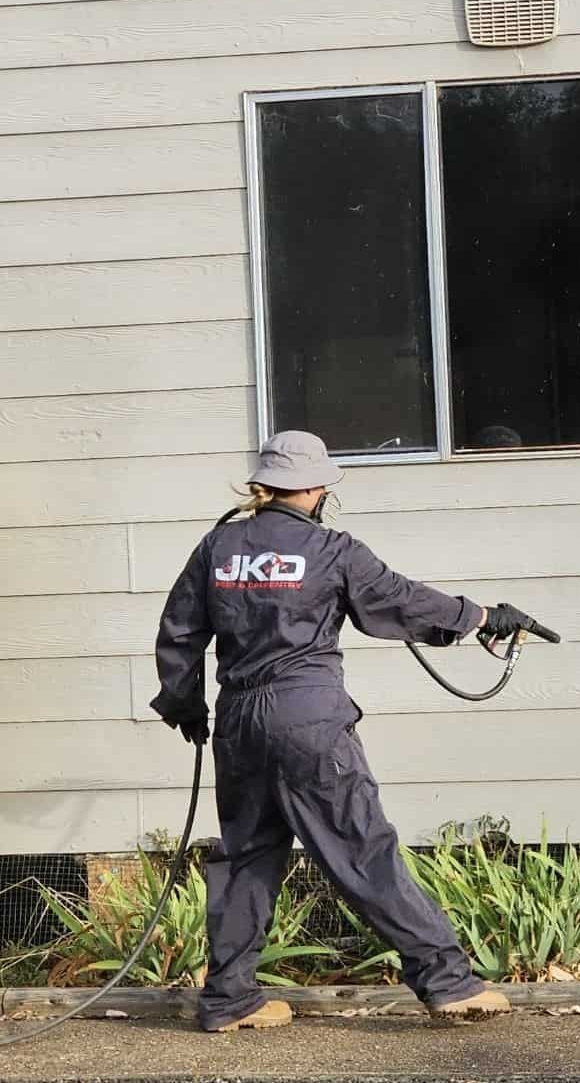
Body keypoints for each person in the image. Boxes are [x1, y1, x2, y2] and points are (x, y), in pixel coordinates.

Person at [150, 430, 528, 1032]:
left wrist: (185, 706)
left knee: (247, 857)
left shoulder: (217, 547)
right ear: (318, 487)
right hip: (309, 720)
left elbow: (178, 633)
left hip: (240, 722)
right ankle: (447, 980)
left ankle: (228, 997)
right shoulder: (332, 550)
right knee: (361, 850)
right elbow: (400, 600)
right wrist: (480, 617)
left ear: (264, 483)